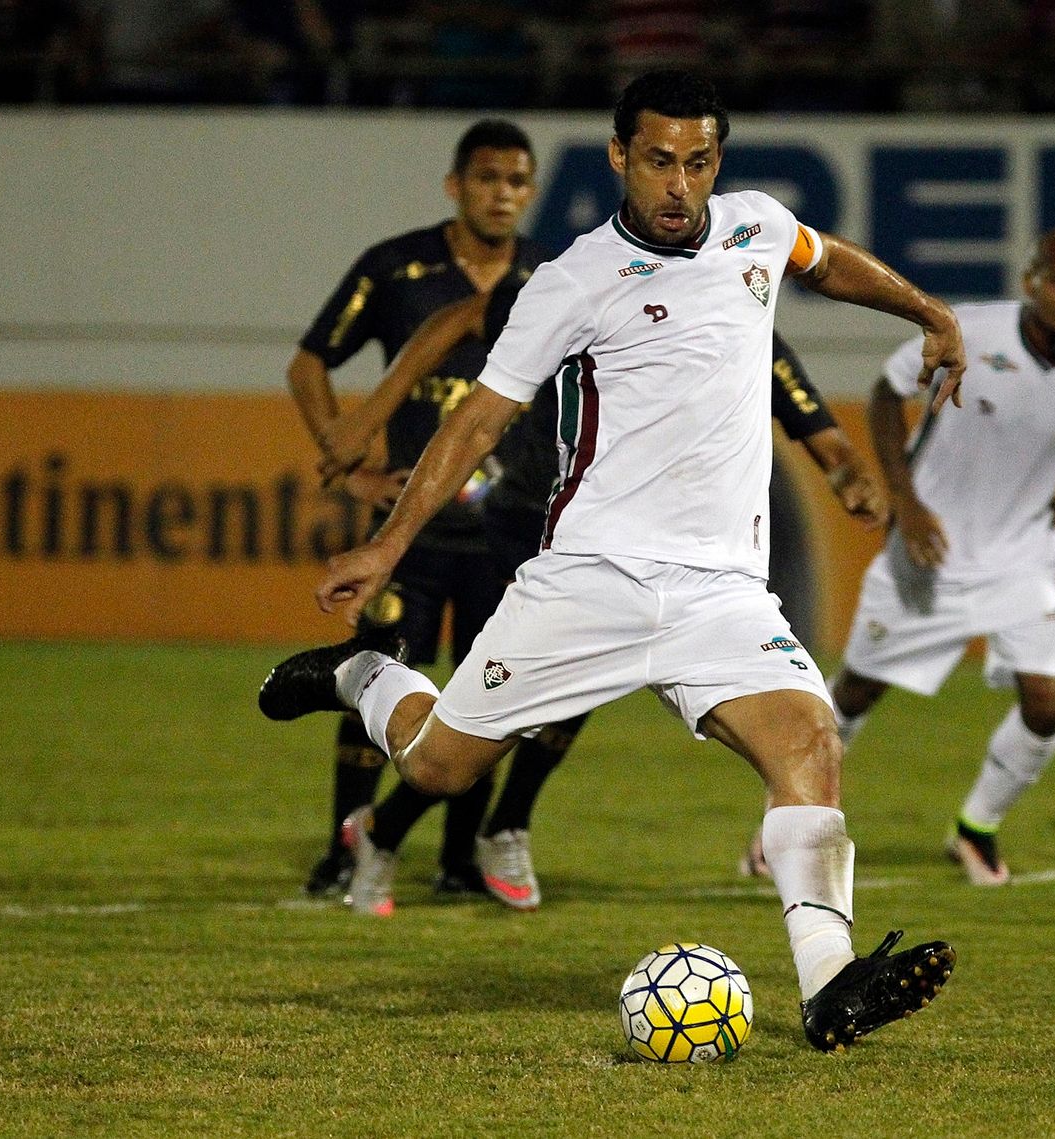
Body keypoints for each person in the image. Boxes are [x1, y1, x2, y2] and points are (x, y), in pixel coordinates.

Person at [261, 69, 961, 1051]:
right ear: (619, 158)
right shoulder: (574, 280)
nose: (680, 184)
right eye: (661, 161)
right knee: (442, 766)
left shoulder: (754, 225)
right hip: (588, 580)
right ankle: (360, 675)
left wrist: (928, 312)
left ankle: (829, 985)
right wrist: (384, 546)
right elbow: (477, 423)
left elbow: (830, 260)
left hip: (721, 592)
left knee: (810, 741)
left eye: (700, 162)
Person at [320, 280, 887, 910]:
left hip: (643, 557)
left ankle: (498, 822)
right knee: (490, 716)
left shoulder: (730, 288)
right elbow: (459, 322)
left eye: (695, 172)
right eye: (664, 170)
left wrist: (842, 462)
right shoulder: (588, 277)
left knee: (562, 700)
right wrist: (370, 418)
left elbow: (790, 387)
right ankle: (401, 823)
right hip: (535, 523)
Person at [749, 228, 1055, 886]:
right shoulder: (971, 332)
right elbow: (888, 393)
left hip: (1021, 558)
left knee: (1049, 701)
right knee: (855, 693)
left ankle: (977, 828)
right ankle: (782, 820)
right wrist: (908, 501)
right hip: (929, 551)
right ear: (1031, 280)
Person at [285, 118, 550, 902]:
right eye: (486, 178)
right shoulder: (397, 267)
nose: (501, 194)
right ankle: (345, 846)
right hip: (417, 528)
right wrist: (359, 468)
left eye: (516, 181)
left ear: (530, 191)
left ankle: (458, 858)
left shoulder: (549, 275)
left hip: (507, 532)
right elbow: (308, 364)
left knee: (485, 695)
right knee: (381, 679)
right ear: (455, 186)